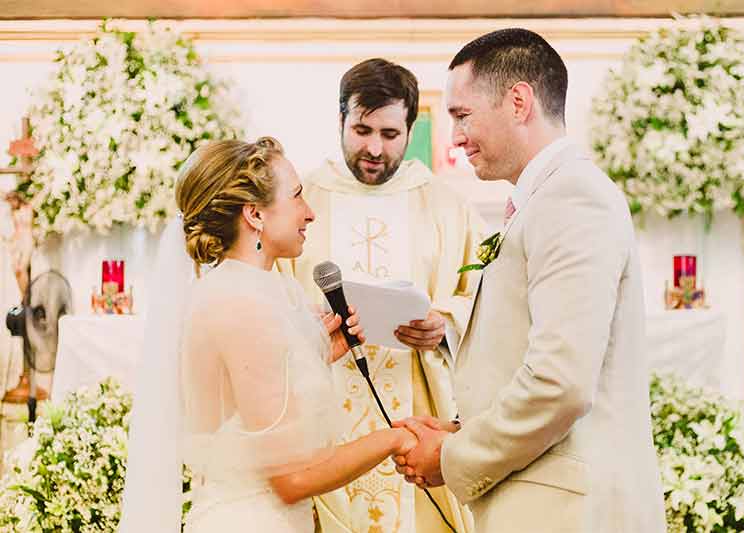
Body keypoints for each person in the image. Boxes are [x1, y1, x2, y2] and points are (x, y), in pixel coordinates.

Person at [392, 28, 667, 532]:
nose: (454, 137)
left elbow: (560, 384)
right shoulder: (542, 200)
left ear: (518, 101)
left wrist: (454, 455)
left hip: (568, 512)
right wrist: (461, 428)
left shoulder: (572, 197)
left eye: (461, 115)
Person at [118, 137, 418, 533]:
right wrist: (394, 439)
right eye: (296, 197)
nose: (309, 213)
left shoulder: (256, 288)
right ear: (255, 214)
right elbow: (291, 480)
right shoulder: (241, 304)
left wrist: (320, 351)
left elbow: (247, 403)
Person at [279, 58, 482, 533]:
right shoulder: (299, 198)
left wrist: (445, 324)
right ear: (341, 121)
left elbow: (480, 292)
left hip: (419, 412)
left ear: (412, 128)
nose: (373, 148)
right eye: (362, 129)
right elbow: (269, 293)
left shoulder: (444, 204)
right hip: (321, 403)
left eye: (390, 134)